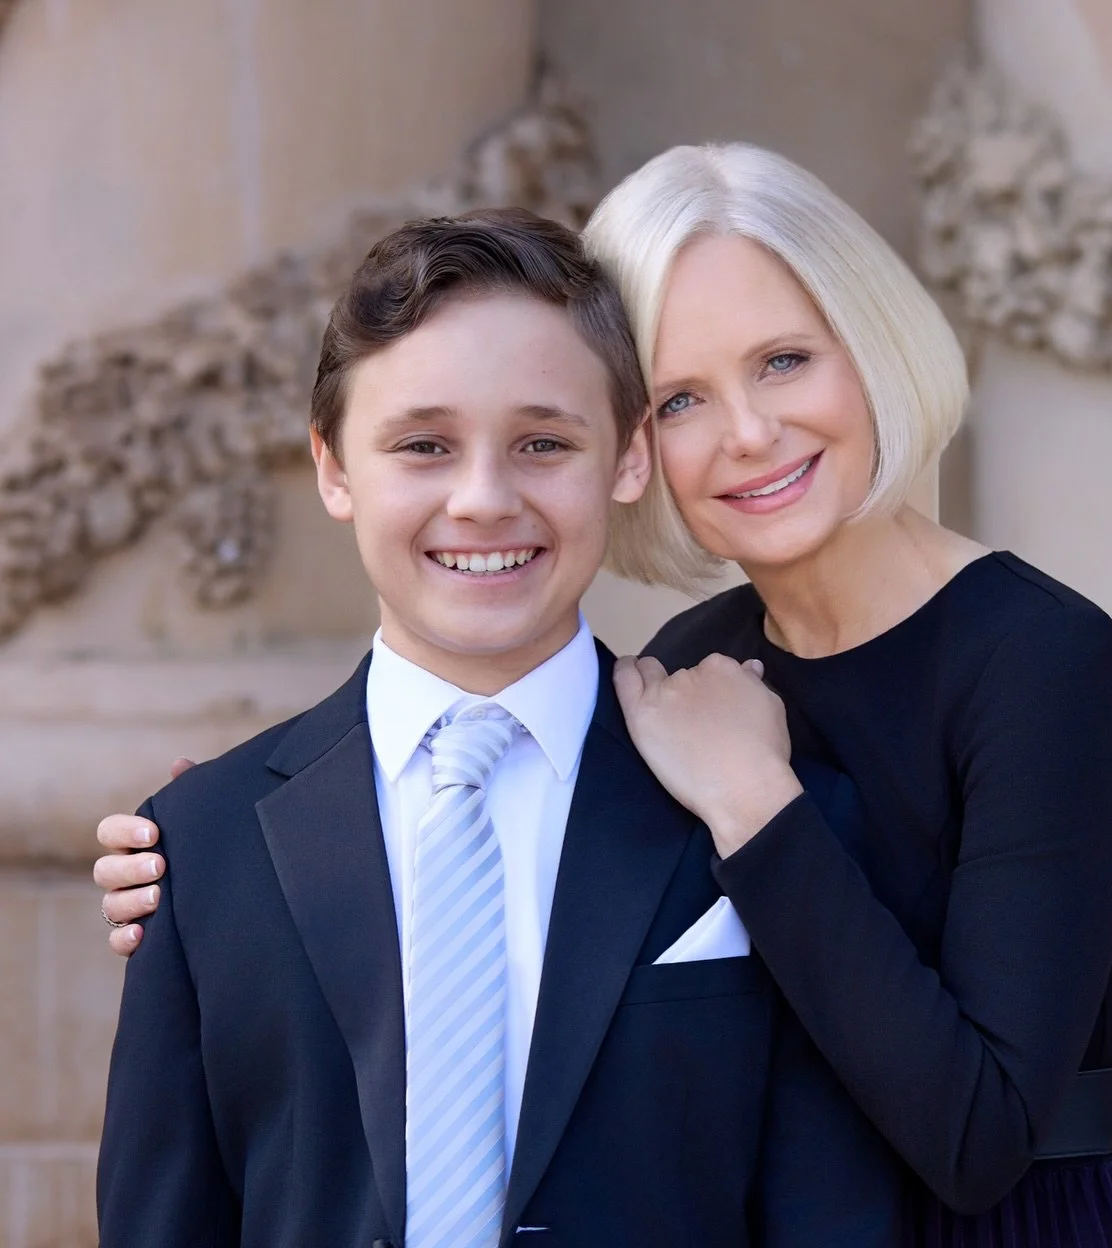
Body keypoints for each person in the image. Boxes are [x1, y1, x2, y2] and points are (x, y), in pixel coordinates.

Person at [96, 145, 1112, 1246]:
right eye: (680, 398)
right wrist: (226, 853)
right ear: (637, 443)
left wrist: (760, 807)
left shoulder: (1045, 663)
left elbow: (981, 1133)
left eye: (784, 360)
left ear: (872, 344)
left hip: (1025, 1218)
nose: (748, 432)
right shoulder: (690, 663)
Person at [96, 208, 905, 1248]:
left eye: (543, 443)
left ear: (628, 458)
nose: (483, 499)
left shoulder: (763, 809)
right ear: (334, 468)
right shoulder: (200, 845)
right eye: (424, 446)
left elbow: (832, 1218)